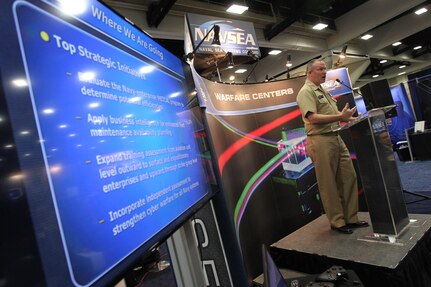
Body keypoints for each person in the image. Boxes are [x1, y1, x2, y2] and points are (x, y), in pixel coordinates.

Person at [296, 59, 368, 234]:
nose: (324, 71)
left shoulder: (322, 90)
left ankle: (351, 218)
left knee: (348, 177)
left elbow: (330, 114)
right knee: (328, 183)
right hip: (320, 140)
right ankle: (338, 222)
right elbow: (312, 118)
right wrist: (339, 117)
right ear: (309, 72)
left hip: (335, 137)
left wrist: (345, 117)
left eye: (325, 69)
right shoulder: (305, 92)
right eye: (321, 69)